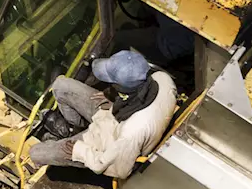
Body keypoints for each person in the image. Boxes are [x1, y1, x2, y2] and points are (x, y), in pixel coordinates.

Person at [29, 50, 177, 180]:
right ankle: (74, 129)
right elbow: (138, 95)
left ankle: (76, 139)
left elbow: (119, 170)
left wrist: (79, 151)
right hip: (115, 114)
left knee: (35, 153)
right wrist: (114, 98)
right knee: (61, 86)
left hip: (110, 142)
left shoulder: (132, 132)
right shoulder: (162, 78)